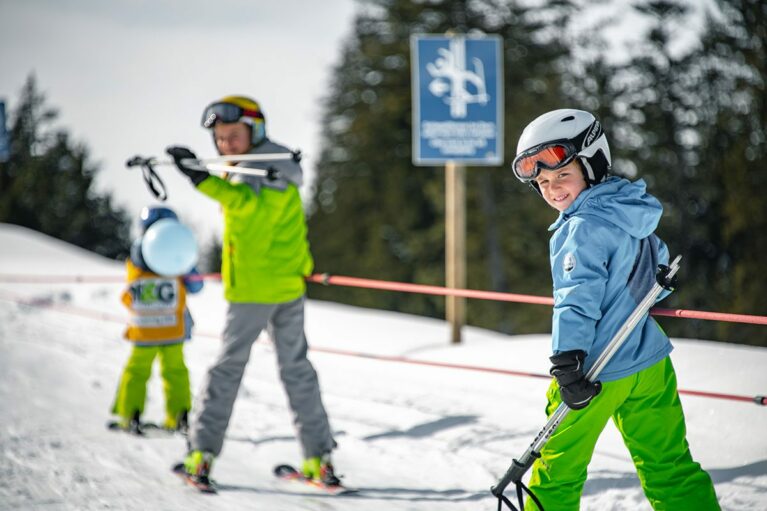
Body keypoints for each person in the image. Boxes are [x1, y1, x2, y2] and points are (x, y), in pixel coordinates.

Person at [510, 109, 719, 510]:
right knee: (668, 464)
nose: (553, 190)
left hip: (594, 369)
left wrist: (567, 363)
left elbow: (577, 297)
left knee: (558, 471)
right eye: (543, 182)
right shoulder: (631, 210)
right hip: (648, 364)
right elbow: (646, 280)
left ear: (593, 163)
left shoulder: (580, 227)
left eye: (562, 176)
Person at [166, 95, 338, 486]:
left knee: (227, 369)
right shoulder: (271, 165)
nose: (227, 144)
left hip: (255, 291)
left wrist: (199, 178)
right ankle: (318, 459)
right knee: (297, 370)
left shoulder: (265, 171)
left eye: (234, 135)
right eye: (221, 139)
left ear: (254, 130)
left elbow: (245, 208)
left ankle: (201, 454)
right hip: (287, 286)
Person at [111, 206, 203, 434]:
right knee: (176, 371)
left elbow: (130, 291)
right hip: (173, 328)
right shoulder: (179, 258)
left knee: (137, 370)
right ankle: (179, 416)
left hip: (145, 329)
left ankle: (129, 414)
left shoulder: (137, 256)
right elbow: (196, 286)